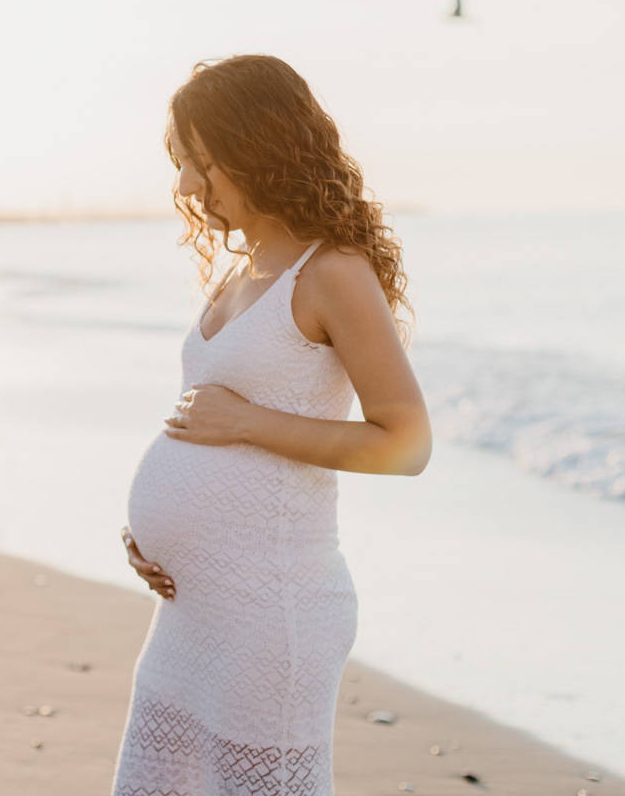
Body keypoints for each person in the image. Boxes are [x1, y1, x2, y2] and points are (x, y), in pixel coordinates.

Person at [112, 55, 432, 795]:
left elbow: (406, 442)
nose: (188, 187)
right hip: (192, 609)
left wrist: (251, 423)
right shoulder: (239, 273)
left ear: (259, 147)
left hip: (272, 616)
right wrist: (154, 537)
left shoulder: (332, 273)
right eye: (181, 165)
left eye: (202, 164)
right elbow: (204, 431)